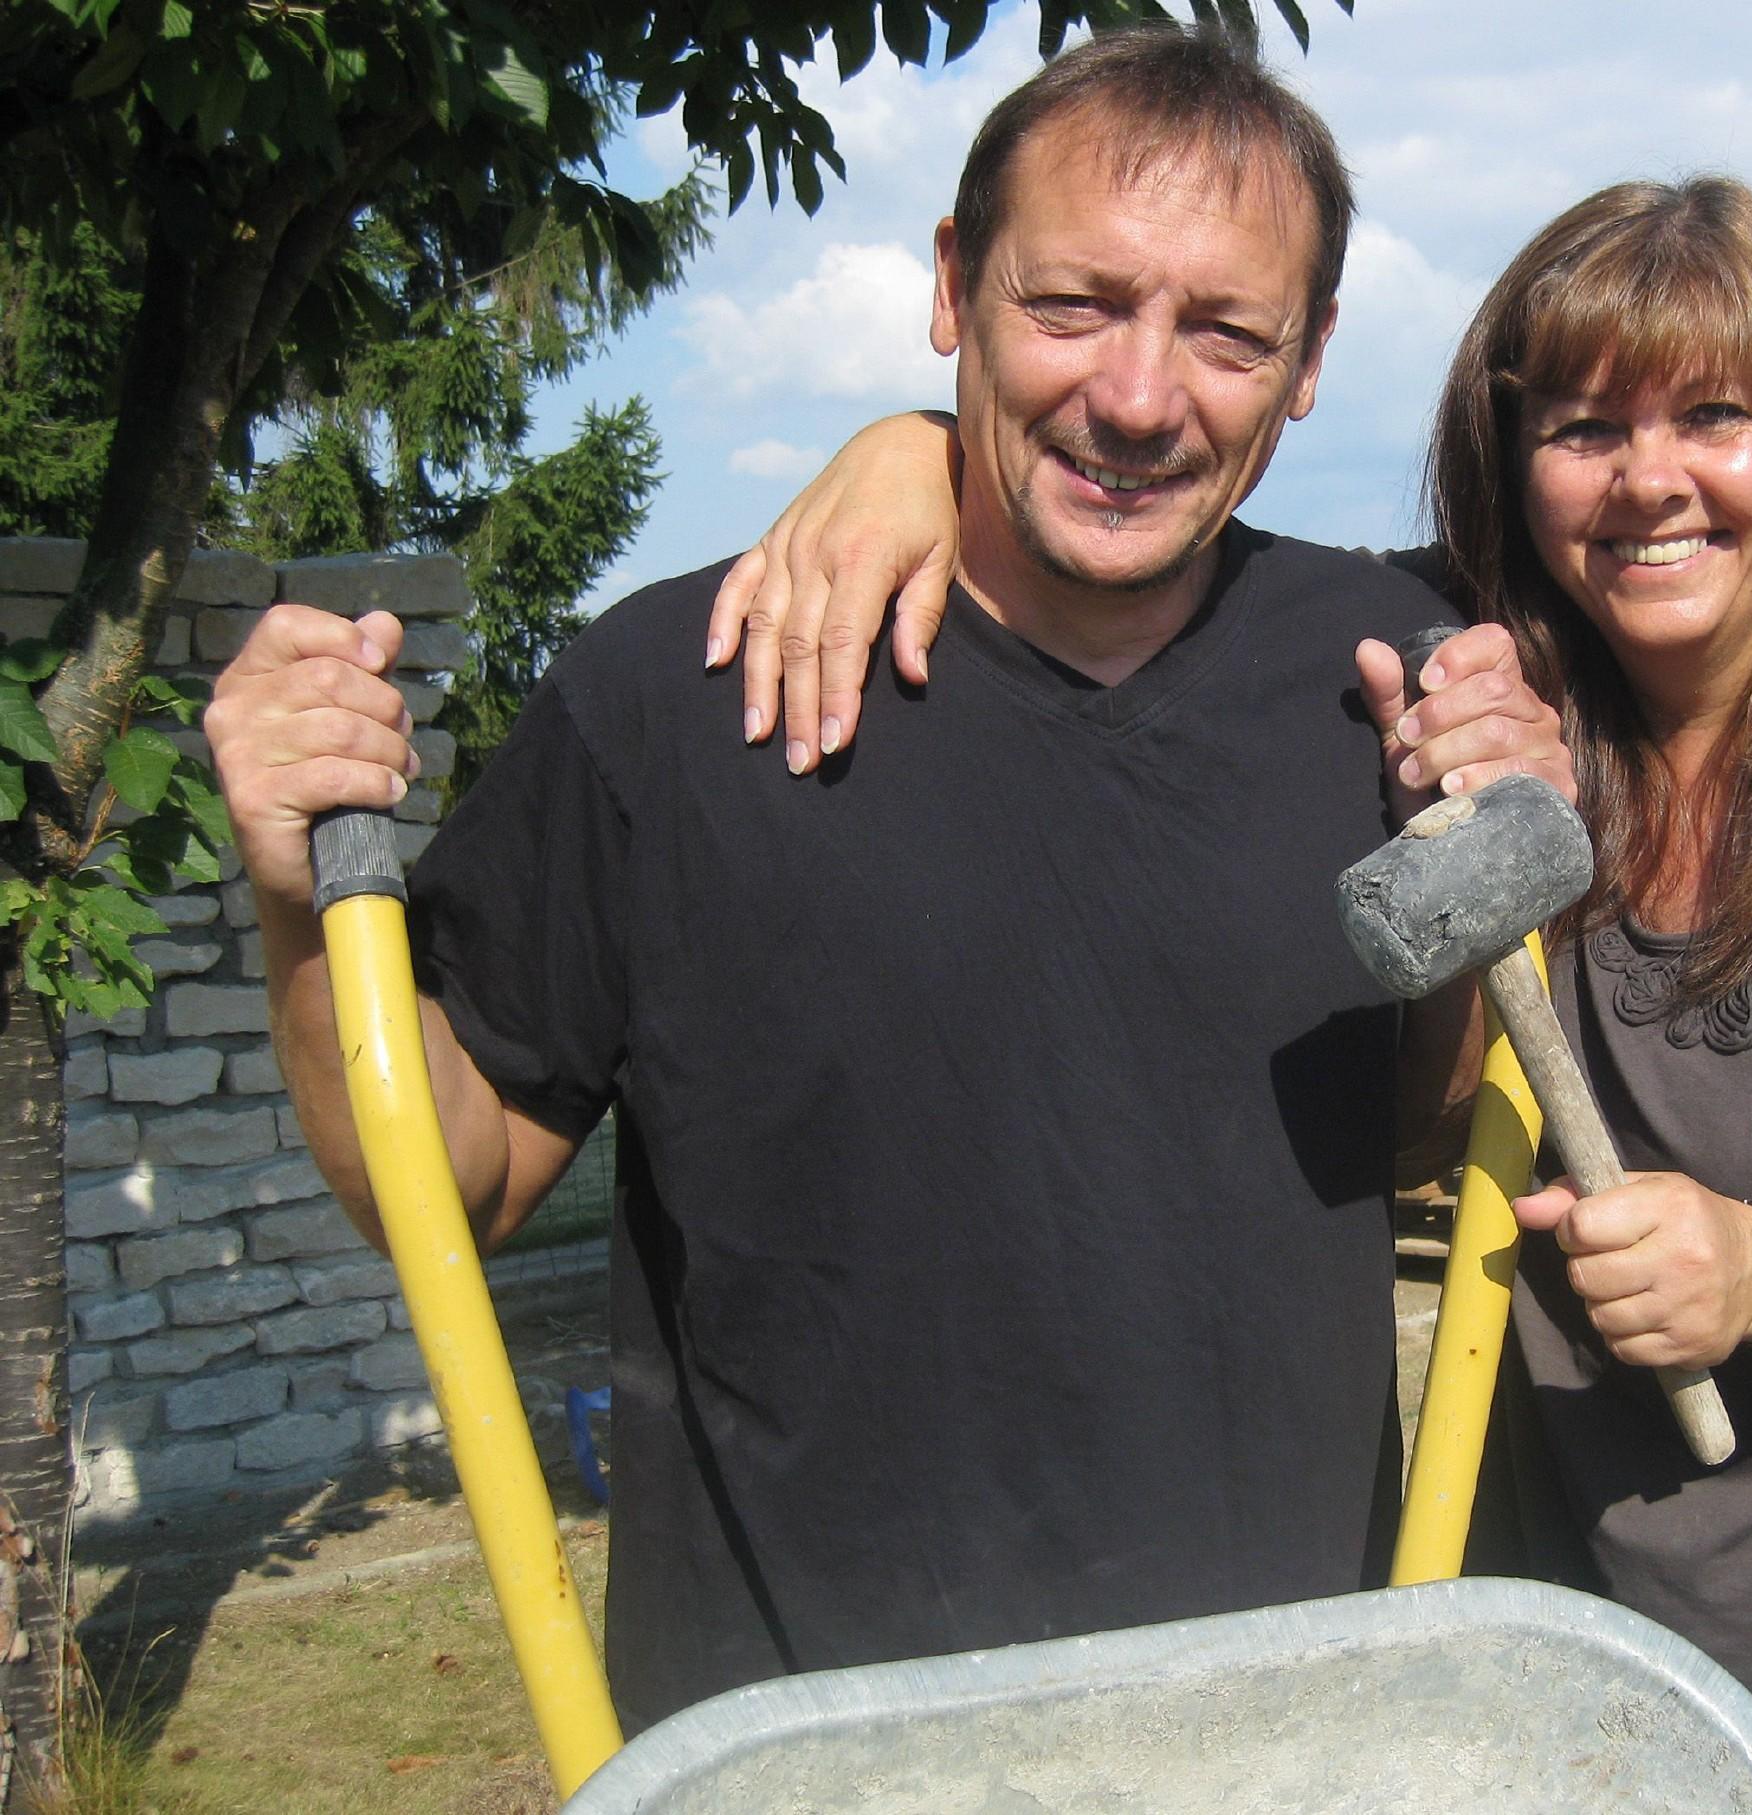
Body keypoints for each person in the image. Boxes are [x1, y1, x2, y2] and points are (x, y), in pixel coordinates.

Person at [711, 176, 1752, 1814]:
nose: (1648, 481)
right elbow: (1172, 527)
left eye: (1716, 416)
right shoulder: (1503, 695)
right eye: (1582, 428)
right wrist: (913, 455)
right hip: (1573, 1647)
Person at [204, 27, 1572, 1734]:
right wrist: (289, 891)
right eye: (1071, 305)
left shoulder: (1389, 690)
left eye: (1225, 332)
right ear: (952, 287)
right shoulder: (676, 691)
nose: (1140, 398)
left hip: (1272, 1730)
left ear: (1308, 363)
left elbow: (1412, 1139)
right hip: (806, 1752)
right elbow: (451, 1179)